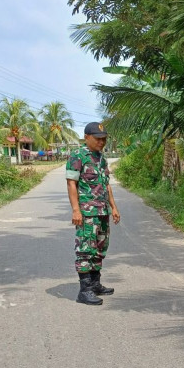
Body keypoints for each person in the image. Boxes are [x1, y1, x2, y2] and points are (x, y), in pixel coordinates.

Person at [66, 122, 121, 305]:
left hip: (102, 211)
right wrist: (76, 210)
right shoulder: (77, 156)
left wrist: (113, 207)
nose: (102, 142)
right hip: (87, 212)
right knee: (85, 250)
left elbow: (106, 185)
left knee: (100, 248)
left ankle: (96, 284)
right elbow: (71, 183)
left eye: (104, 139)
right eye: (98, 139)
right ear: (87, 137)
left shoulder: (101, 158)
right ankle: (84, 290)